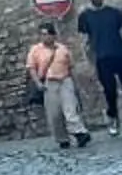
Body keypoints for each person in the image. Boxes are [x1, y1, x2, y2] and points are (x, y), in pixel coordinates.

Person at [74, 0, 122, 133]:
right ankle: (113, 118)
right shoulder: (85, 16)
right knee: (110, 91)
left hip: (121, 56)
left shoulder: (114, 12)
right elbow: (85, 41)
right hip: (102, 59)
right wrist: (90, 62)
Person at [26, 21, 89, 150]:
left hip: (65, 81)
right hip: (49, 83)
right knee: (54, 114)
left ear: (53, 35)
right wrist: (38, 82)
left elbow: (70, 66)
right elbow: (31, 68)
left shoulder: (62, 48)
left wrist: (75, 83)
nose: (44, 37)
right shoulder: (35, 50)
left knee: (70, 109)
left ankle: (80, 133)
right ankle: (62, 139)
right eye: (42, 34)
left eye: (47, 34)